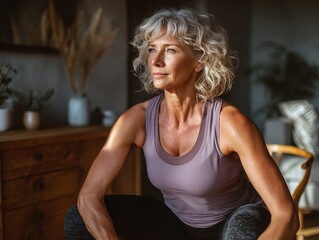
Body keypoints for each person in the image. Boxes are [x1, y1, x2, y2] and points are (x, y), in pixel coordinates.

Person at [64, 8, 299, 240]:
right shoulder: (136, 119)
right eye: (152, 49)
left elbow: (286, 215)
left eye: (170, 50)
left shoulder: (230, 123)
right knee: (78, 219)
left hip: (234, 220)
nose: (155, 61)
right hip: (175, 225)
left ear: (200, 60)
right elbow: (88, 197)